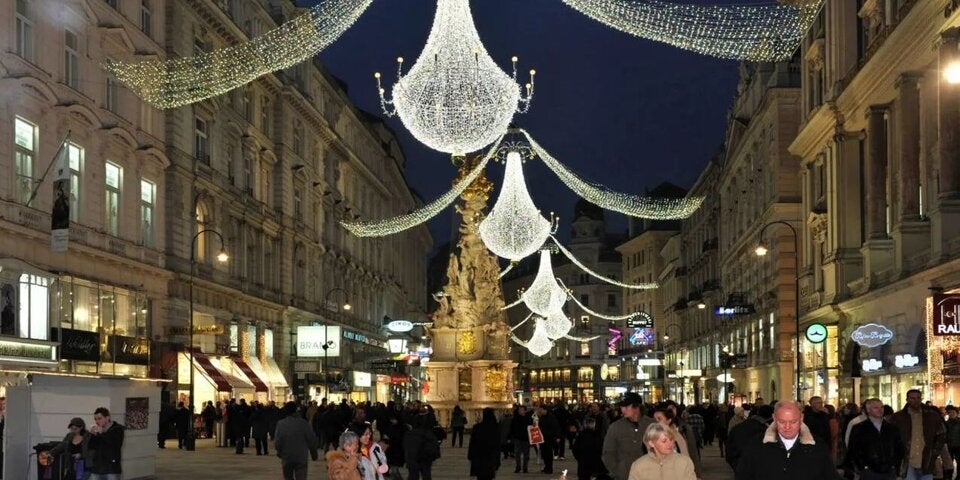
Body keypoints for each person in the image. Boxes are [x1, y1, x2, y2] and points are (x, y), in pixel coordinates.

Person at [734, 400, 841, 480]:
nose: (787, 427)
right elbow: (742, 475)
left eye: (793, 422)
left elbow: (830, 476)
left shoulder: (817, 447)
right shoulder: (757, 445)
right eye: (782, 422)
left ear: (801, 419)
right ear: (774, 418)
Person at [891, 389, 947, 480]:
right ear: (907, 399)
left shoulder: (932, 416)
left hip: (927, 460)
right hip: (907, 461)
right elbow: (892, 438)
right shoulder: (898, 417)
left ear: (921, 399)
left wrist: (935, 451)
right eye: (912, 398)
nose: (916, 401)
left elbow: (941, 434)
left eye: (918, 398)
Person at [847, 398, 905, 480]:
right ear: (868, 410)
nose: (880, 410)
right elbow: (854, 449)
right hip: (869, 471)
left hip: (889, 470)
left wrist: (894, 464)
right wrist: (863, 466)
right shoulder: (859, 428)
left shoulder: (892, 428)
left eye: (881, 407)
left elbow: (899, 447)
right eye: (876, 408)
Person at [602, 392, 654, 480]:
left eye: (626, 407)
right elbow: (608, 453)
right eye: (621, 407)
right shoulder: (615, 427)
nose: (622, 410)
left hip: (650, 475)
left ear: (637, 407)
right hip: (625, 476)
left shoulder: (652, 425)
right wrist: (618, 472)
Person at [626, 423, 697, 480]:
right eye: (664, 441)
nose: (670, 444)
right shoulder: (638, 466)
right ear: (651, 443)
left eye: (671, 439)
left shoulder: (684, 462)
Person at [652, 408, 702, 479]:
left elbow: (686, 455)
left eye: (659, 419)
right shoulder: (650, 436)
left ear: (668, 421)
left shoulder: (677, 436)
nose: (655, 422)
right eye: (654, 419)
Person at [275, 401, 320, 480]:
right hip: (301, 456)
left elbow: (278, 440)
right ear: (296, 410)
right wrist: (314, 453)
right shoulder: (303, 423)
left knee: (288, 477)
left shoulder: (281, 424)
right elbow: (311, 439)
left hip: (287, 456)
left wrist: (279, 452)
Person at [725, 404, 773, 471]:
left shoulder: (740, 426)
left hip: (738, 463)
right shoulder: (763, 430)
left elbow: (729, 446)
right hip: (754, 467)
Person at [88, 407, 124, 480]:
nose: (97, 421)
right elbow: (91, 446)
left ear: (107, 418)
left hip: (111, 469)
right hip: (97, 468)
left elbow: (115, 444)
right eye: (95, 419)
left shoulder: (117, 429)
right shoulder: (98, 430)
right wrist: (92, 435)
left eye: (99, 418)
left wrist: (102, 433)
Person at [404, 411, 440, 480]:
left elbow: (405, 446)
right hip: (425, 459)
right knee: (426, 475)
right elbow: (434, 447)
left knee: (413, 476)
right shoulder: (428, 434)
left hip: (412, 459)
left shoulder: (409, 434)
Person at [468, 408, 502, 480]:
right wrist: (497, 460)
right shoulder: (495, 428)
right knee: (489, 477)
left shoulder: (477, 427)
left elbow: (472, 443)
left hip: (479, 458)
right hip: (491, 458)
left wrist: (470, 456)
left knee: (480, 477)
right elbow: (498, 445)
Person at [535, 405, 561, 474]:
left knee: (549, 454)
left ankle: (550, 468)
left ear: (545, 410)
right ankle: (546, 467)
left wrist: (557, 436)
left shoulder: (551, 417)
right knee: (544, 454)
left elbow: (556, 427)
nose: (540, 411)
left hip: (550, 438)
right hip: (542, 438)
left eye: (541, 409)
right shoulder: (541, 417)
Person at [510, 405, 533, 473]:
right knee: (517, 453)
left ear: (525, 411)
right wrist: (512, 436)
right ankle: (518, 467)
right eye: (519, 410)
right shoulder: (515, 418)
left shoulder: (528, 418)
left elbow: (531, 427)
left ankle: (525, 468)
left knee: (526, 454)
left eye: (521, 410)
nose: (520, 411)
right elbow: (512, 428)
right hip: (517, 438)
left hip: (526, 439)